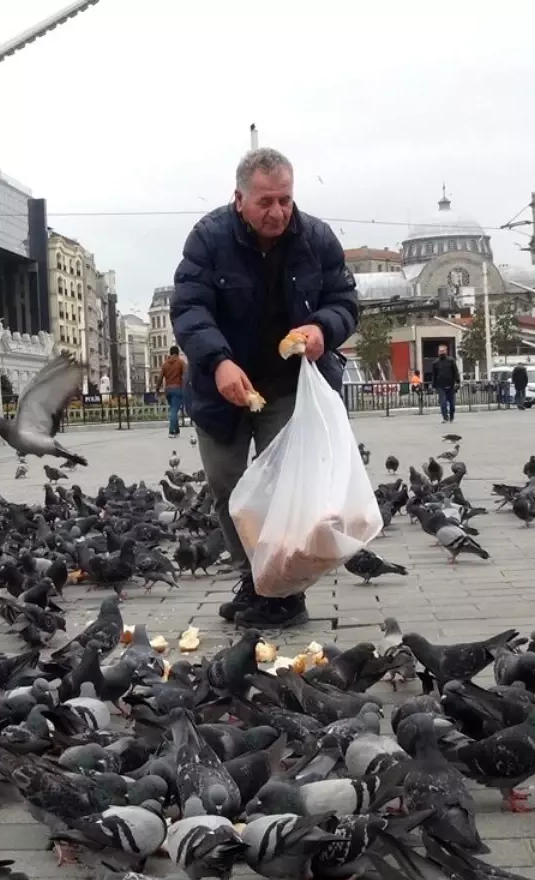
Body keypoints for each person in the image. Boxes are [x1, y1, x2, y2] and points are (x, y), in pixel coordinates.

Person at [171, 147, 359, 629]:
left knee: (283, 491)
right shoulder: (208, 239)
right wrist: (217, 362)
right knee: (226, 486)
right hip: (222, 387)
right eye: (265, 202)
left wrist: (322, 329)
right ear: (240, 199)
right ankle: (255, 581)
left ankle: (284, 592)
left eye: (285, 200)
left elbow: (344, 301)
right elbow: (190, 310)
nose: (277, 212)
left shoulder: (317, 238)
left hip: (287, 385)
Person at [156, 346, 187, 437]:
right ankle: (171, 431)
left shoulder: (165, 364)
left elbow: (160, 378)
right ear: (177, 353)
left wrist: (157, 389)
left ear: (170, 353)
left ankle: (177, 430)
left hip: (168, 390)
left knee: (173, 408)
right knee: (174, 410)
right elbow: (185, 376)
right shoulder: (181, 363)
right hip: (177, 389)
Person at [429, 345, 460, 423]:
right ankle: (445, 418)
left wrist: (457, 382)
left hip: (450, 385)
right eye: (440, 351)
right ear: (438, 352)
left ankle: (452, 417)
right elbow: (434, 375)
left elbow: (455, 372)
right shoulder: (435, 363)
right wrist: (433, 386)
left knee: (452, 404)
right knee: (443, 403)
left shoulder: (451, 360)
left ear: (446, 351)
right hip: (440, 386)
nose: (442, 352)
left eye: (443, 351)